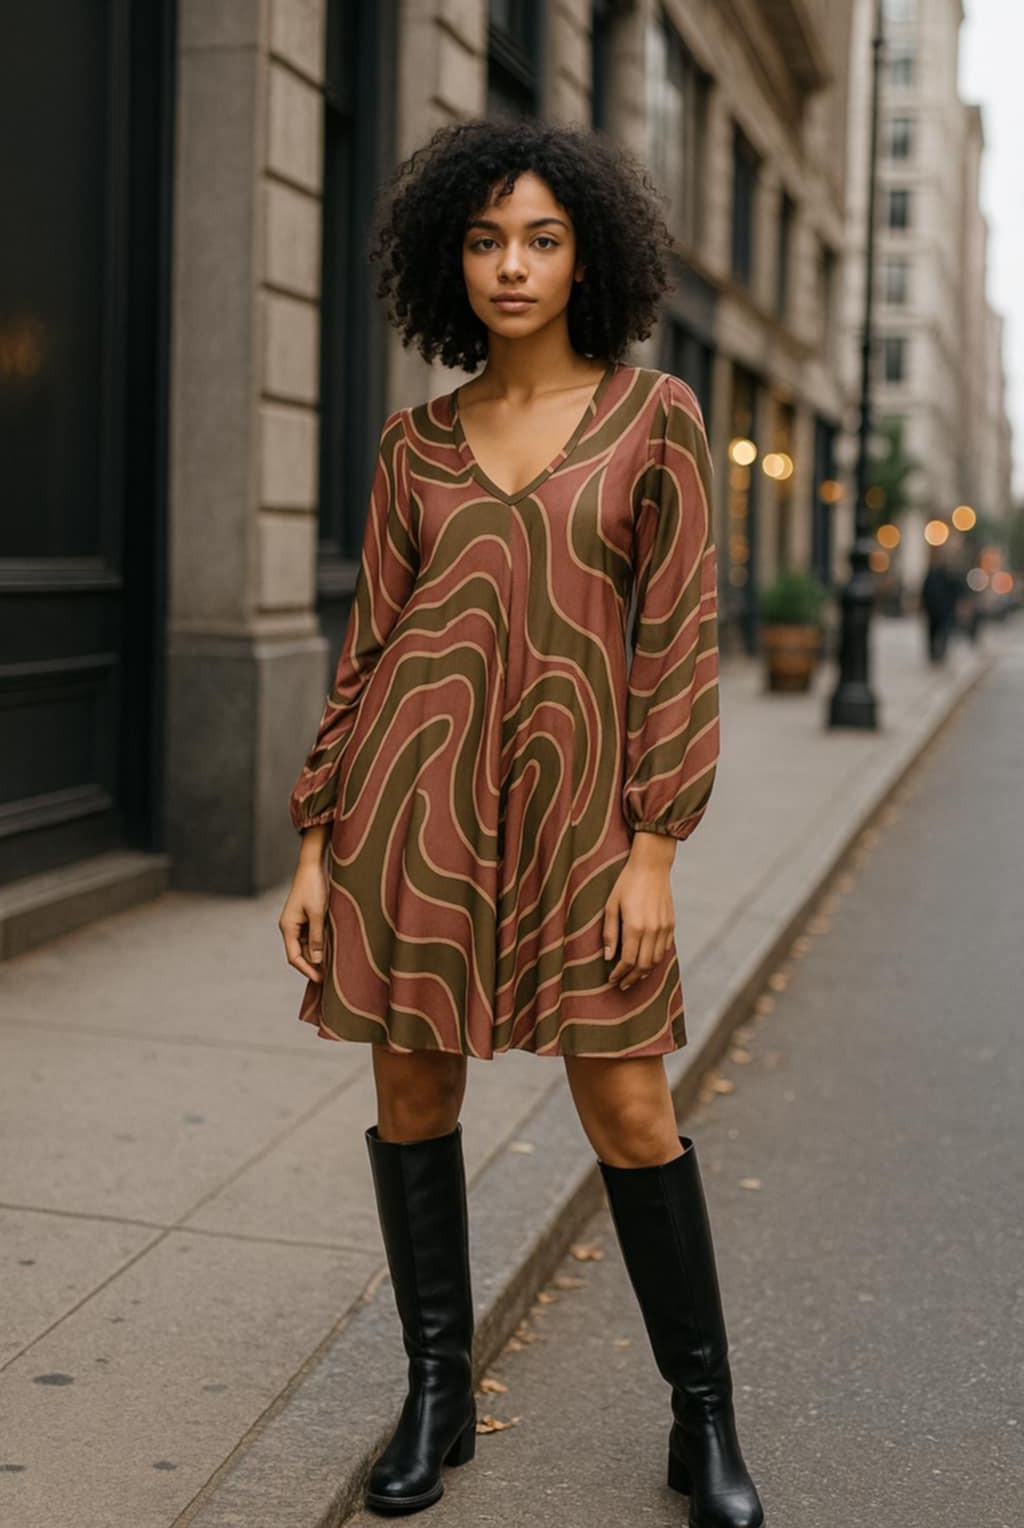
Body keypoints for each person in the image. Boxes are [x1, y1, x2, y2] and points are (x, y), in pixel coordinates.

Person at [278, 116, 763, 1527]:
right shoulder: (415, 444)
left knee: (630, 1105)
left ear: (586, 257)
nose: (510, 265)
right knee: (413, 1094)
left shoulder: (654, 419)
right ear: (452, 258)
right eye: (486, 240)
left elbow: (676, 642)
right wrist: (314, 841)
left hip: (585, 824)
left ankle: (703, 1419)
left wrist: (655, 850)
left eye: (541, 239)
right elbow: (370, 647)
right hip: (411, 812)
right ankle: (438, 1393)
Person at [919, 551, 957, 663]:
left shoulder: (948, 574)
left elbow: (954, 591)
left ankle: (940, 653)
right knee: (932, 632)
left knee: (944, 632)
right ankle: (933, 654)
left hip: (944, 610)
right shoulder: (930, 574)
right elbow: (924, 590)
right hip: (933, 609)